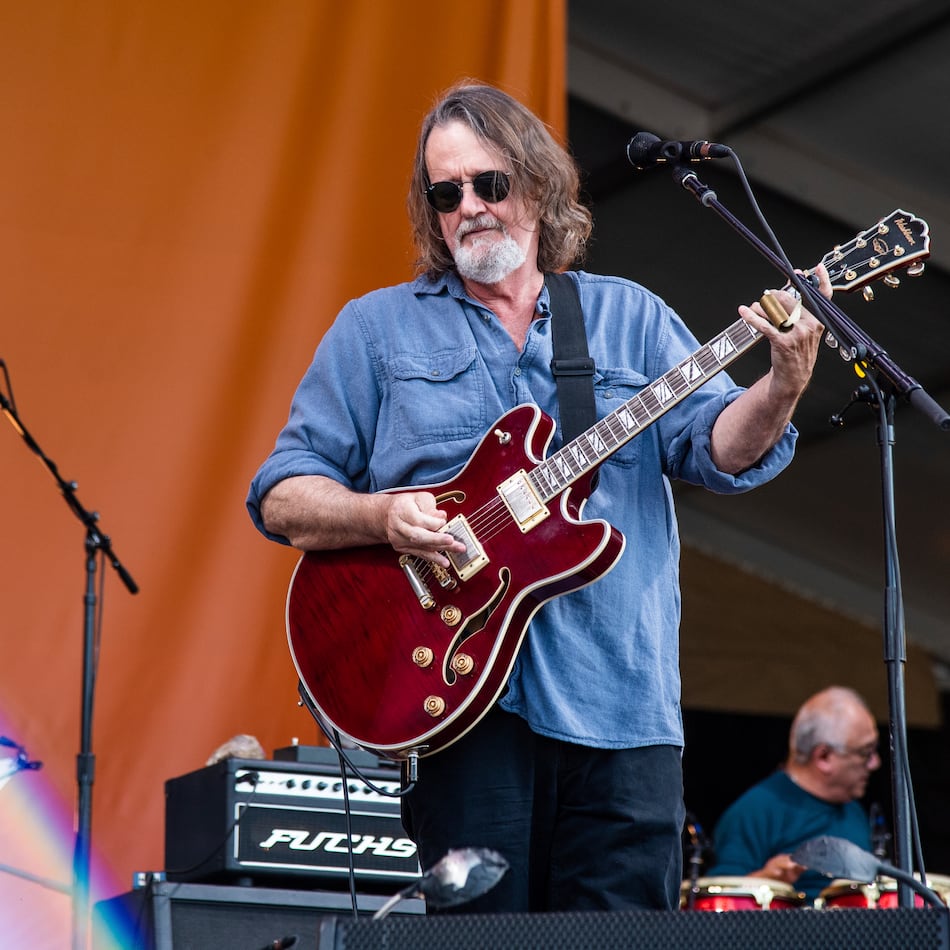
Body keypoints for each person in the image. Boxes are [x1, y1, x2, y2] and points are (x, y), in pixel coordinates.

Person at [246, 81, 827, 913]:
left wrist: (781, 385)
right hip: (461, 708)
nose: (470, 208)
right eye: (446, 193)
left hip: (623, 708)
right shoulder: (376, 331)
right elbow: (282, 495)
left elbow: (716, 449)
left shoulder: (631, 318)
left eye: (491, 183)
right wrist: (380, 514)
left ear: (540, 184)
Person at [708, 685, 881, 901]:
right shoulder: (753, 812)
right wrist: (764, 881)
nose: (875, 763)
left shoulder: (854, 810)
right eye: (865, 752)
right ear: (824, 757)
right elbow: (717, 908)